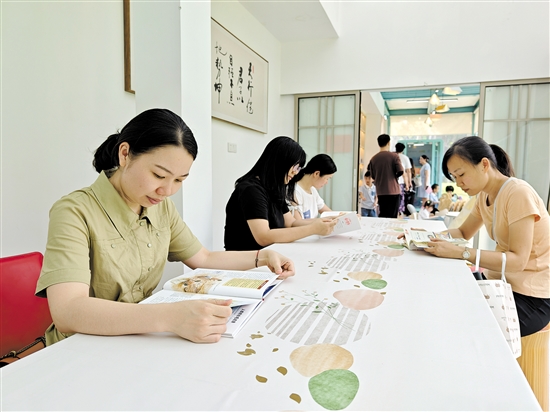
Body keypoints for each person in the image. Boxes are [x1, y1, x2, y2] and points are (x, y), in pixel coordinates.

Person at [35, 109, 296, 346]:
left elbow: (203, 258)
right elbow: (68, 311)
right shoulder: (74, 211)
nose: (167, 190)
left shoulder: (160, 207)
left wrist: (261, 257)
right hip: (81, 347)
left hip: (139, 339)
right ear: (124, 154)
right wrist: (170, 317)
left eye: (179, 180)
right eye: (159, 175)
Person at [425, 136, 550, 337]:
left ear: (484, 164)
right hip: (500, 283)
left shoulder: (518, 193)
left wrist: (461, 252)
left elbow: (518, 261)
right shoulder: (484, 195)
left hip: (531, 295)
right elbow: (463, 232)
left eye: (461, 174)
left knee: (456, 323)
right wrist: (425, 238)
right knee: (440, 295)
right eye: (454, 177)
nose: (459, 183)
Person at [224, 136, 337, 251]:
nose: (296, 172)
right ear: (281, 162)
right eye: (295, 167)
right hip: (248, 258)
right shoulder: (251, 190)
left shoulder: (274, 189)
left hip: (270, 254)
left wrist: (323, 221)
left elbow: (291, 223)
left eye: (298, 168)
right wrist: (313, 229)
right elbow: (263, 237)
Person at [367, 134, 404, 218]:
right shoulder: (394, 156)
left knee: (383, 215)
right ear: (389, 143)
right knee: (393, 217)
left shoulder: (373, 159)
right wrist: (394, 177)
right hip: (393, 191)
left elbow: (373, 176)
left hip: (381, 192)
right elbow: (400, 171)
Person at [291, 154, 337, 220]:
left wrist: (342, 216)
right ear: (316, 174)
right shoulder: (295, 191)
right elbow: (298, 223)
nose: (326, 182)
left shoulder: (312, 190)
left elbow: (328, 212)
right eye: (327, 178)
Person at [395, 142, 412, 216]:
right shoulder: (405, 158)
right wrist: (409, 182)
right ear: (403, 150)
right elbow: (408, 171)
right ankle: (399, 213)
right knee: (400, 198)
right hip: (401, 182)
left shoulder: (392, 156)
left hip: (392, 182)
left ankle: (395, 212)